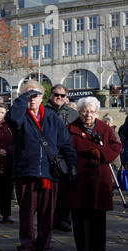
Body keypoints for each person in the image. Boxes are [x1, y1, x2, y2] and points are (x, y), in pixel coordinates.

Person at [6, 80, 77, 251]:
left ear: (42, 98)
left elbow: (66, 144)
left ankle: (44, 247)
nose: (32, 99)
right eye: (28, 95)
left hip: (49, 174)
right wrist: (23, 97)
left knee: (47, 215)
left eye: (35, 95)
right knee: (27, 215)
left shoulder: (53, 118)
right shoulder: (20, 116)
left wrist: (72, 165)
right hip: (26, 173)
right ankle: (26, 247)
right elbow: (12, 119)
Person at [66, 97, 122, 251]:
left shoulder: (104, 128)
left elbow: (116, 146)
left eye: (91, 111)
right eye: (85, 111)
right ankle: (82, 249)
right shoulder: (71, 128)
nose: (88, 114)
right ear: (79, 112)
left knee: (99, 214)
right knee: (80, 214)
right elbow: (65, 149)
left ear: (96, 113)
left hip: (99, 178)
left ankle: (98, 249)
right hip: (79, 178)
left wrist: (101, 153)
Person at [44, 84, 79, 232]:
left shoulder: (73, 114)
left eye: (62, 95)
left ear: (66, 97)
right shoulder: (43, 111)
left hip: (66, 156)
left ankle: (64, 220)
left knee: (66, 191)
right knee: (49, 193)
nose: (59, 97)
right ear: (51, 95)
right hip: (48, 156)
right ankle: (50, 219)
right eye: (56, 94)